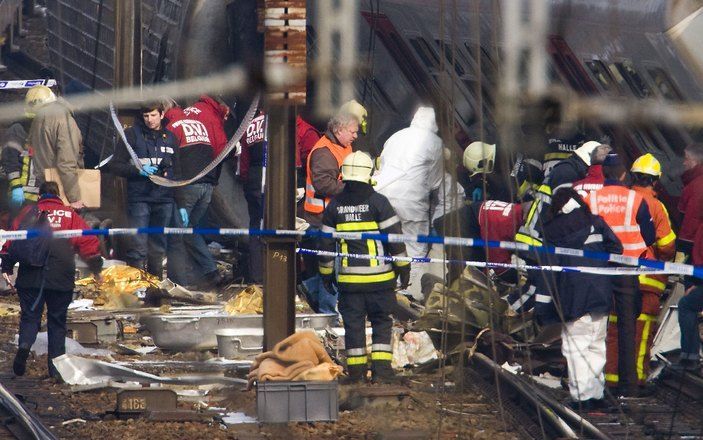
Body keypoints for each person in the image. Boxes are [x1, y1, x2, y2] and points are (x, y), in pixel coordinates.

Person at [318, 151, 410, 383]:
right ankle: (382, 372)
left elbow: (325, 246)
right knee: (381, 324)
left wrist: (326, 275)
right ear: (369, 175)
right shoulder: (380, 203)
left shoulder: (334, 208)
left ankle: (357, 375)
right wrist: (403, 269)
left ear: (344, 176)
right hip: (380, 282)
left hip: (350, 284)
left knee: (354, 327)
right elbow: (395, 240)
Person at [2, 181, 103, 378]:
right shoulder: (69, 215)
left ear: (40, 195)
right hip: (61, 275)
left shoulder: (29, 213)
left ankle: (24, 345)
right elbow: (87, 241)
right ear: (58, 195)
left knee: (30, 317)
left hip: (31, 275)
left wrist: (6, 266)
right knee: (57, 322)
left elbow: (14, 240)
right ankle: (57, 370)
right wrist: (96, 268)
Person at [535, 187, 622, 409]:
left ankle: (582, 398)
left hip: (573, 297)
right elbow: (616, 248)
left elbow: (548, 273)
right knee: (596, 346)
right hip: (601, 293)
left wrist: (542, 310)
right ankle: (596, 394)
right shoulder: (596, 222)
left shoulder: (551, 232)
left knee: (576, 349)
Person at [584, 154, 655, 397]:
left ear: (603, 173)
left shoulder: (591, 199)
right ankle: (628, 384)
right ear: (624, 174)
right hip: (626, 270)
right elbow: (650, 235)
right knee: (627, 325)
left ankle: (594, 384)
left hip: (597, 270)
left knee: (595, 325)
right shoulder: (635, 199)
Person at [375, 107, 443, 301]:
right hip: (412, 201)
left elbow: (382, 164)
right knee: (415, 247)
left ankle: (384, 286)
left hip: (383, 196)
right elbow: (434, 183)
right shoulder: (434, 142)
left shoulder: (395, 136)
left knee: (387, 244)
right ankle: (407, 291)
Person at [164, 95, 230, 288]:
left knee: (176, 232)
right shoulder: (198, 122)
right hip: (207, 186)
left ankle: (179, 282)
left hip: (189, 186)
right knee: (189, 230)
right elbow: (219, 150)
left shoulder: (172, 127)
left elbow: (171, 162)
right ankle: (210, 272)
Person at [110, 101, 179, 278]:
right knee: (138, 247)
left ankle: (154, 286)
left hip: (164, 199)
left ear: (162, 115)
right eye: (146, 116)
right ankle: (137, 287)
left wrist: (180, 203)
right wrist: (138, 171)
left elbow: (178, 171)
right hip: (139, 198)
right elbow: (116, 165)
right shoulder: (132, 135)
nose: (149, 120)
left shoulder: (171, 138)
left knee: (157, 248)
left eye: (153, 115)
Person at [300, 111, 357, 314]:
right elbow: (324, 185)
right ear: (339, 130)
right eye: (352, 132)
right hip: (321, 218)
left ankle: (310, 288)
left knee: (334, 265)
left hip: (334, 216)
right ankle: (328, 313)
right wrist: (355, 186)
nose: (355, 136)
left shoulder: (343, 146)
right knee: (331, 267)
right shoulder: (324, 152)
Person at [629, 153, 675, 384]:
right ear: (655, 181)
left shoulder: (622, 201)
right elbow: (667, 247)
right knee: (643, 331)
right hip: (648, 281)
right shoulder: (657, 207)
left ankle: (612, 378)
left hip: (618, 277)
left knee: (616, 330)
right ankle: (637, 379)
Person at [516, 141, 611, 247]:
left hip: (540, 236)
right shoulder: (567, 173)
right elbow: (565, 210)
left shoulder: (569, 169)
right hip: (537, 239)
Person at [25, 85, 87, 210]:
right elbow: (66, 162)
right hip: (61, 191)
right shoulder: (65, 120)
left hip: (44, 188)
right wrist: (74, 198)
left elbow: (31, 149)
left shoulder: (38, 118)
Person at [676, 143, 703, 370]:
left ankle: (689, 357)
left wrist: (694, 279)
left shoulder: (695, 187)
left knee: (687, 305)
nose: (683, 162)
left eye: (686, 158)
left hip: (696, 265)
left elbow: (687, 229)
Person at [237, 109, 267, 284]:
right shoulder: (279, 122)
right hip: (271, 178)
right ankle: (273, 273)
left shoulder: (250, 125)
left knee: (255, 227)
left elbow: (244, 160)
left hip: (253, 180)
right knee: (276, 227)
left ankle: (256, 277)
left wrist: (246, 180)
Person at [1, 118, 38, 217]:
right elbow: (9, 160)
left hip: (38, 196)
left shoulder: (42, 128)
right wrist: (16, 187)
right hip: (20, 195)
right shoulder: (17, 130)